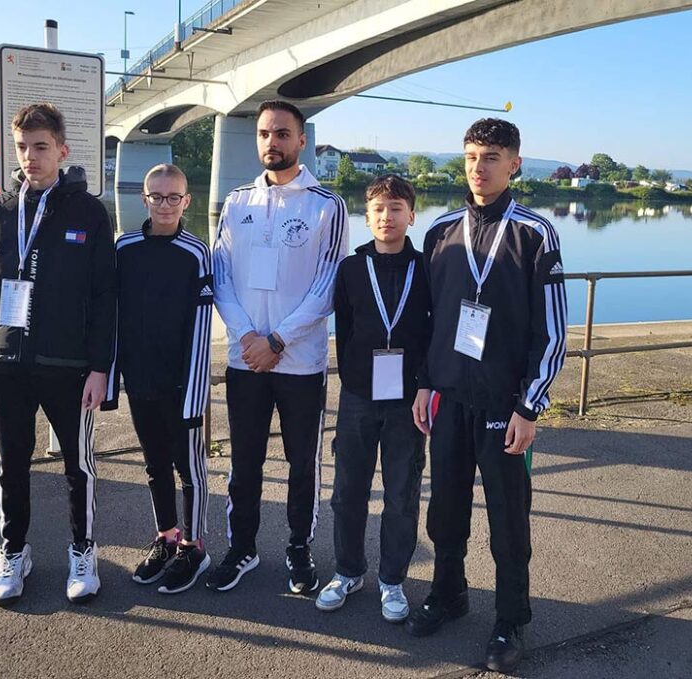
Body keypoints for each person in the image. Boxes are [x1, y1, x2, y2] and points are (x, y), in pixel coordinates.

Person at [406, 118, 567, 674]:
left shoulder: (535, 233)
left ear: (515, 163)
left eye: (493, 156)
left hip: (504, 405)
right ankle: (449, 593)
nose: (480, 167)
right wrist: (426, 382)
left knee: (508, 518)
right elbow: (429, 319)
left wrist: (530, 405)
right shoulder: (440, 232)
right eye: (472, 155)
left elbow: (554, 330)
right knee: (445, 510)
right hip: (449, 398)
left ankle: (510, 619)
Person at [0, 102, 116, 605]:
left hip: (70, 367)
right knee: (13, 466)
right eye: (23, 147)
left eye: (41, 147)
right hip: (8, 364)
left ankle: (83, 550)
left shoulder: (89, 211)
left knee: (78, 466)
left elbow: (104, 295)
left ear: (62, 150)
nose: (30, 156)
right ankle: (14, 552)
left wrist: (100, 368)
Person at [207, 100, 347, 594]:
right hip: (245, 358)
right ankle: (242, 547)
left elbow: (328, 285)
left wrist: (278, 340)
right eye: (265, 134)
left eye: (283, 134)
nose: (273, 142)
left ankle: (298, 548)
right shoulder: (237, 201)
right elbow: (220, 275)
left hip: (300, 362)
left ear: (301, 141)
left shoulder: (326, 205)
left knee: (301, 462)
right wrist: (248, 337)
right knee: (243, 461)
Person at [315, 175, 430, 622]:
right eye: (379, 209)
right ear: (367, 217)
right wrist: (352, 377)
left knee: (402, 493)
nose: (387, 216)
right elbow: (343, 327)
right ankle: (348, 571)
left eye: (397, 208)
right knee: (348, 492)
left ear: (411, 216)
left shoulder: (428, 267)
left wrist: (425, 381)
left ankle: (392, 581)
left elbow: (433, 329)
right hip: (360, 395)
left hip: (407, 399)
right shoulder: (349, 268)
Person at [102, 163, 213, 595]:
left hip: (182, 383)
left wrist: (196, 390)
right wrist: (112, 380)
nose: (165, 204)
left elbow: (203, 326)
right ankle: (166, 536)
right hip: (141, 378)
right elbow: (111, 316)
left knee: (190, 468)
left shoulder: (196, 252)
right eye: (156, 196)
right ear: (144, 200)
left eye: (174, 197)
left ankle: (194, 545)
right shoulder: (124, 247)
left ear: (187, 201)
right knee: (154, 464)